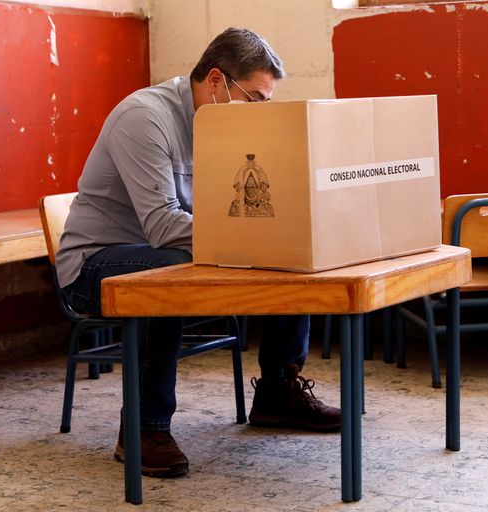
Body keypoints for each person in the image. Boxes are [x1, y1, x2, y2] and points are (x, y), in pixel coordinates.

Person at [55, 27, 340, 478]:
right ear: (216, 80)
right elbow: (163, 226)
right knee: (167, 274)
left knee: (288, 251)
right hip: (95, 264)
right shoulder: (144, 118)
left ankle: (277, 392)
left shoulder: (225, 122)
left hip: (175, 253)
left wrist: (279, 231)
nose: (259, 112)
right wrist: (255, 234)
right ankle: (143, 427)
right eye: (254, 99)